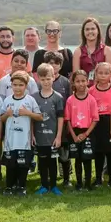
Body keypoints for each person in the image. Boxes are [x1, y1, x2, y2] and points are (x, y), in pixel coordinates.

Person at [0, 71, 42, 196]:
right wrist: (7, 114)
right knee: (10, 164)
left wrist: (27, 113)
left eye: (21, 85)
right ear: (11, 85)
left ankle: (21, 186)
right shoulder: (7, 100)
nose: (17, 88)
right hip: (10, 140)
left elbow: (39, 117)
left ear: (26, 86)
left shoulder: (30, 100)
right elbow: (1, 119)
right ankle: (9, 186)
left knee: (23, 164)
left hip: (25, 140)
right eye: (15, 85)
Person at [32, 63, 66, 195]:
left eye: (48, 78)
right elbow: (32, 118)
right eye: (43, 79)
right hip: (40, 137)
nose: (46, 82)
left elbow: (60, 118)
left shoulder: (58, 97)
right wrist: (32, 135)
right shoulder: (34, 97)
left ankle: (54, 186)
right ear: (38, 79)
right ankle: (44, 185)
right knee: (42, 162)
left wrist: (58, 136)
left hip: (52, 137)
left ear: (54, 77)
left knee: (53, 162)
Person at [65, 70, 99, 191]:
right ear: (73, 83)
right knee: (78, 159)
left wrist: (85, 134)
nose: (81, 84)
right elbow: (68, 119)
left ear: (87, 81)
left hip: (87, 132)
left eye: (83, 81)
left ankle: (88, 183)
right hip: (75, 132)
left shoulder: (91, 100)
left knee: (87, 159)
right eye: (78, 81)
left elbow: (95, 119)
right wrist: (74, 136)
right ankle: (79, 183)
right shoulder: (70, 100)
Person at [45, 50, 73, 186]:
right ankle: (49, 176)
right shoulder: (42, 82)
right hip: (47, 123)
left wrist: (68, 121)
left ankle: (67, 178)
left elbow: (70, 101)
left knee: (64, 151)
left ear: (61, 66)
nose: (53, 66)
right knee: (48, 151)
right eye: (50, 63)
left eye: (56, 63)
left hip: (62, 121)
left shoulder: (65, 82)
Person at [89, 62, 111, 187]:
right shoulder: (91, 91)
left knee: (110, 152)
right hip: (97, 122)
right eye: (100, 73)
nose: (103, 76)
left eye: (106, 73)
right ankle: (98, 178)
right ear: (95, 74)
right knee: (98, 152)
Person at [72, 17, 111, 85]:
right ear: (83, 32)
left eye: (93, 29)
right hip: (84, 89)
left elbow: (109, 75)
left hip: (102, 88)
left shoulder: (107, 50)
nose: (90, 31)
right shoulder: (78, 51)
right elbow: (76, 76)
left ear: (98, 31)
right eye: (87, 29)